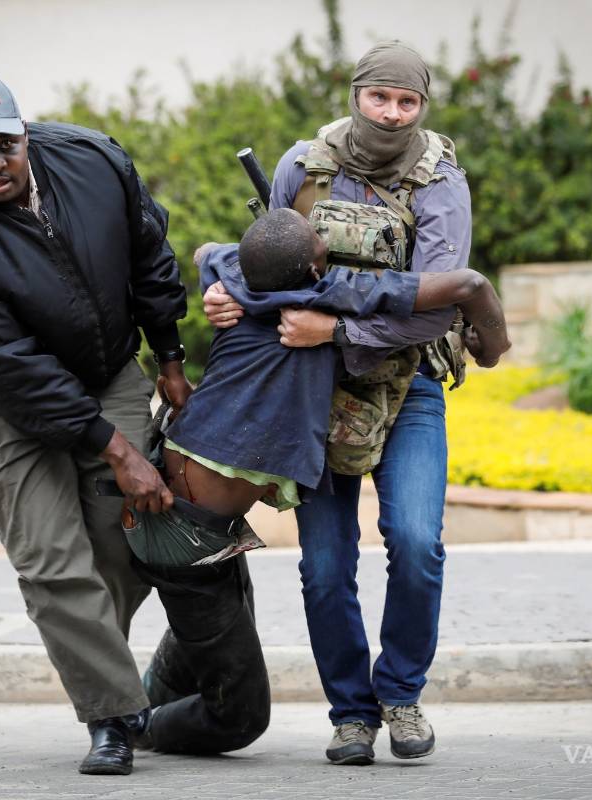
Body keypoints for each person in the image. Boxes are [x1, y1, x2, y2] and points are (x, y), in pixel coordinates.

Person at [130, 209, 509, 757]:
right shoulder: (329, 292)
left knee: (201, 624)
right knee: (239, 714)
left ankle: (138, 708)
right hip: (189, 538)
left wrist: (215, 279)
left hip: (188, 510)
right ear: (315, 269)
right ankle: (129, 728)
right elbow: (469, 284)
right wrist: (492, 345)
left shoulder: (236, 272)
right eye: (320, 244)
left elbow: (206, 251)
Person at [203, 41, 475, 765]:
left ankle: (401, 695)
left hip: (409, 382)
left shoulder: (440, 184)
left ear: (422, 107)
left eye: (407, 101)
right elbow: (270, 265)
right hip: (314, 390)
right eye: (379, 97)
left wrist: (339, 330)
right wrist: (228, 297)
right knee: (324, 565)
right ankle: (353, 714)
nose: (391, 113)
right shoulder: (302, 166)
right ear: (356, 95)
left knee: (415, 542)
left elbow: (436, 308)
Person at [0, 74, 191, 777]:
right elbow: (15, 372)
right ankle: (112, 716)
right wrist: (117, 448)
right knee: (49, 558)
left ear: (25, 133)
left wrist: (169, 356)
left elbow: (149, 255)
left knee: (124, 537)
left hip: (103, 366)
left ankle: (108, 680)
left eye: (5, 146)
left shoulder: (94, 160)